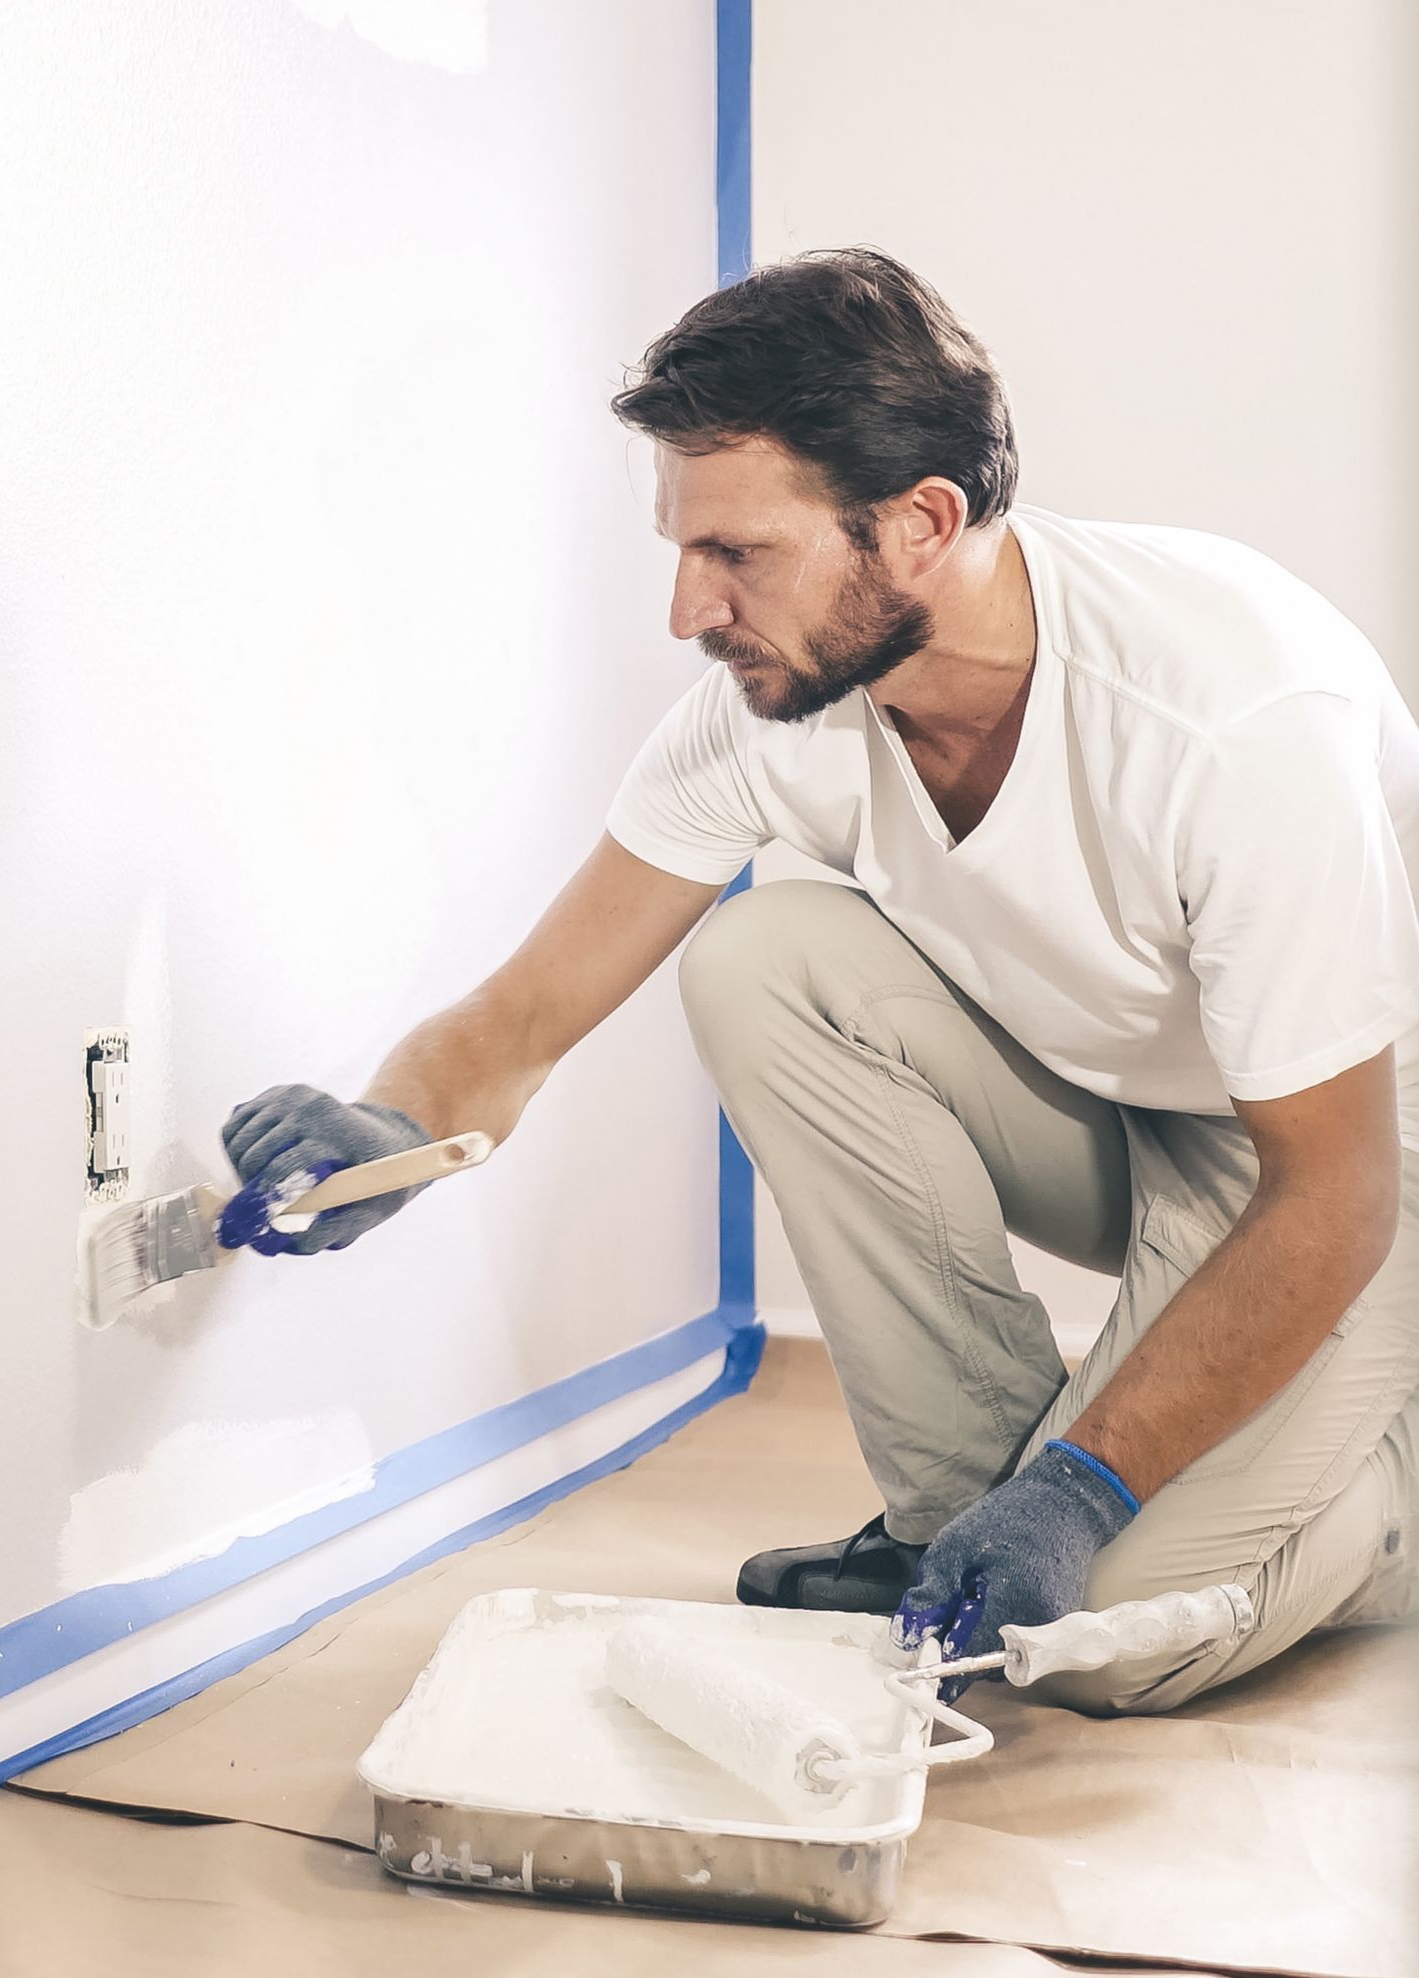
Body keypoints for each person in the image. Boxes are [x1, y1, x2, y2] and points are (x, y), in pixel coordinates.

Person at [218, 247, 1419, 1713]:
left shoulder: (1232, 719)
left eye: (739, 554)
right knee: (761, 959)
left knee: (1097, 1649)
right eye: (683, 548)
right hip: (1140, 1109)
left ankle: (1381, 1501)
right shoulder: (776, 711)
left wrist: (1088, 1491)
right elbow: (527, 1016)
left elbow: (1338, 1189)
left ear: (920, 524)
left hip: (1344, 1170)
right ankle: (948, 1517)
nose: (687, 610)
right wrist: (390, 1128)